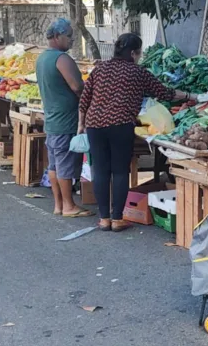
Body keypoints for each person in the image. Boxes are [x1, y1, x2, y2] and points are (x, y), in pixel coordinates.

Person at [79, 33, 198, 232]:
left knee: (100, 170)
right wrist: (190, 96)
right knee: (119, 171)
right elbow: (164, 93)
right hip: (120, 124)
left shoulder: (100, 70)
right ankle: (117, 219)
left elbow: (84, 100)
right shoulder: (137, 72)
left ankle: (104, 219)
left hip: (95, 125)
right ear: (133, 53)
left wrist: (81, 125)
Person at [37, 18, 93, 218]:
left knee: (54, 165)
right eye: (69, 36)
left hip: (52, 120)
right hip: (66, 121)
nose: (72, 41)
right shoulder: (62, 59)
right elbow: (77, 87)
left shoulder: (42, 58)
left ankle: (59, 205)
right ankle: (69, 206)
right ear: (56, 36)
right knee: (66, 165)